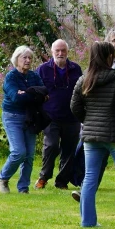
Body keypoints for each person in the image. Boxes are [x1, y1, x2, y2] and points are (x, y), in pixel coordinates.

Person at [69, 41, 115, 228]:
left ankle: (88, 221)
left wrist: (89, 120)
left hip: (92, 137)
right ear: (109, 57)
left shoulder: (84, 79)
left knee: (90, 178)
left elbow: (74, 107)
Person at [36, 40, 85, 191]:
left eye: (63, 50)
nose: (60, 53)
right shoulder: (43, 70)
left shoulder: (76, 69)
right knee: (51, 146)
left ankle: (62, 181)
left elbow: (82, 90)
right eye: (57, 50)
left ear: (67, 52)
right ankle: (44, 177)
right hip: (50, 117)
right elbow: (36, 90)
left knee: (69, 150)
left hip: (72, 116)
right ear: (52, 52)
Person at [0, 46, 47, 193]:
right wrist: (33, 93)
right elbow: (16, 98)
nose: (27, 60)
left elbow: (44, 94)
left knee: (29, 155)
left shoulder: (34, 76)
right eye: (24, 57)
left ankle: (23, 188)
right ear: (16, 59)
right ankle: (3, 178)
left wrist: (26, 93)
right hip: (12, 117)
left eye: (30, 58)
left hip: (30, 117)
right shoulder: (11, 77)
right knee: (19, 152)